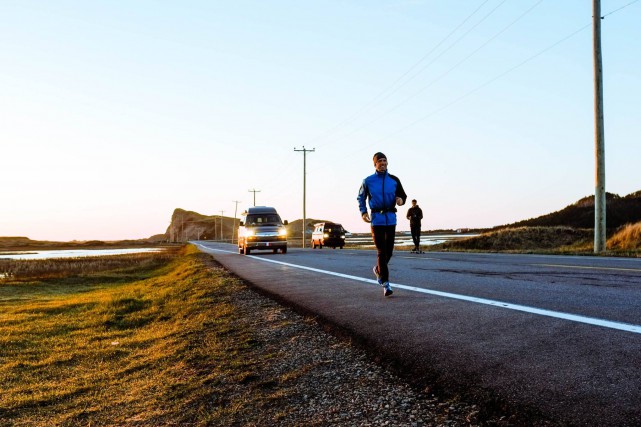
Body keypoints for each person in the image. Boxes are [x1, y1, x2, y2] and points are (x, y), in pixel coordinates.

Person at [357, 152, 407, 296]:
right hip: (376, 220)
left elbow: (403, 195)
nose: (383, 163)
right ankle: (386, 284)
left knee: (389, 251)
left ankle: (378, 270)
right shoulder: (368, 181)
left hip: (391, 218)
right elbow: (360, 197)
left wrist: (400, 201)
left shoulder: (394, 180)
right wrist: (363, 212)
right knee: (381, 251)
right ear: (375, 164)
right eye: (380, 161)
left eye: (385, 160)